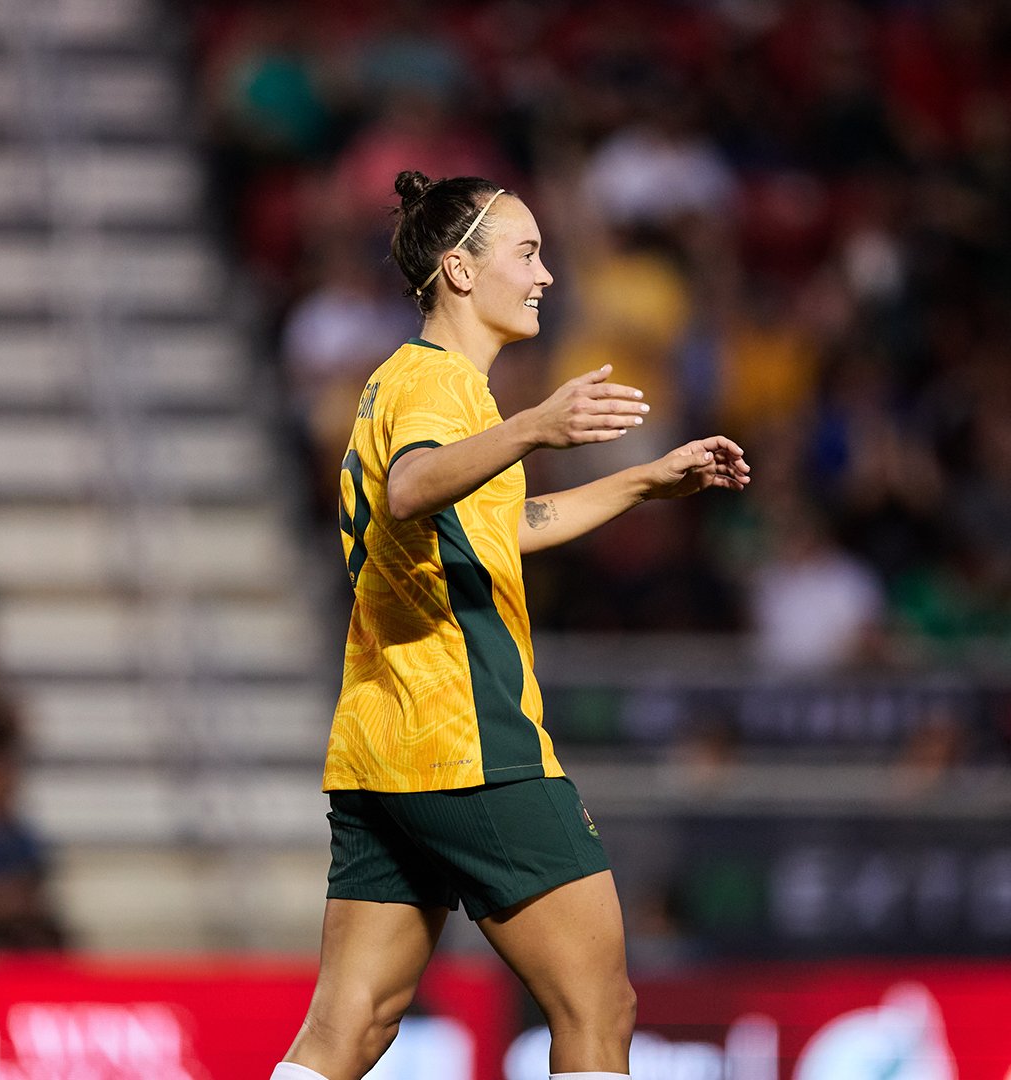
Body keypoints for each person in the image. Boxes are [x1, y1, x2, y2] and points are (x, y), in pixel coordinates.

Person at [270, 170, 749, 1080]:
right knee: (598, 1006)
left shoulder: (400, 386)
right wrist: (536, 424)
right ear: (459, 269)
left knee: (352, 1026)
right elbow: (412, 489)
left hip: (382, 744)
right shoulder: (443, 389)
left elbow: (501, 527)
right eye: (525, 253)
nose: (545, 275)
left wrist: (646, 482)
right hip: (470, 740)